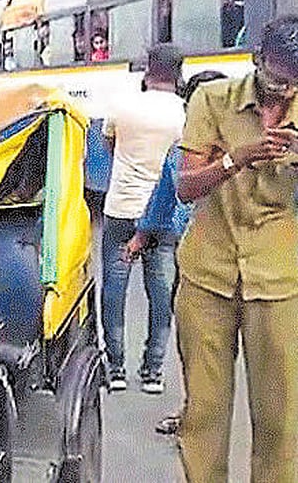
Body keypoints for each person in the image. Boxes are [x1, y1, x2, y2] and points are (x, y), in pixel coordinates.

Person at [175, 16, 298, 482]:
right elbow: (185, 186)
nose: (284, 92)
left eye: (294, 85)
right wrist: (234, 159)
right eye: (277, 79)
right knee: (204, 411)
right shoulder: (213, 99)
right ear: (257, 59)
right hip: (208, 274)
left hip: (280, 278)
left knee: (282, 419)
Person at [117, 70, 229, 434]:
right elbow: (164, 199)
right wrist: (139, 238)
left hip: (246, 262)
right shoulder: (181, 151)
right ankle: (194, 414)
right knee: (197, 342)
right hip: (194, 257)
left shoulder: (253, 146)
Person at [101, 43, 186, 394]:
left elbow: (109, 145)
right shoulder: (184, 113)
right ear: (180, 74)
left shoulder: (123, 105)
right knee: (161, 295)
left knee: (114, 293)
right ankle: (152, 372)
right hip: (163, 216)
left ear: (148, 70)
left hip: (121, 210)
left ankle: (116, 369)